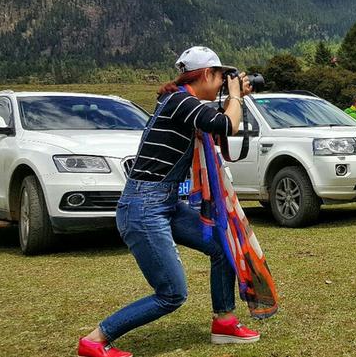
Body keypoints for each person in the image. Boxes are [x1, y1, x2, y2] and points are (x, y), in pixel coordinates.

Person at [78, 46, 263, 357]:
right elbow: (225, 125)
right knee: (172, 294)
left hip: (161, 201)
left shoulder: (177, 101)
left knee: (222, 245)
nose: (222, 83)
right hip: (144, 207)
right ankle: (95, 341)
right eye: (220, 77)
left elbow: (213, 120)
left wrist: (233, 95)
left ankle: (225, 322)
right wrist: (235, 96)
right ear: (206, 74)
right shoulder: (180, 101)